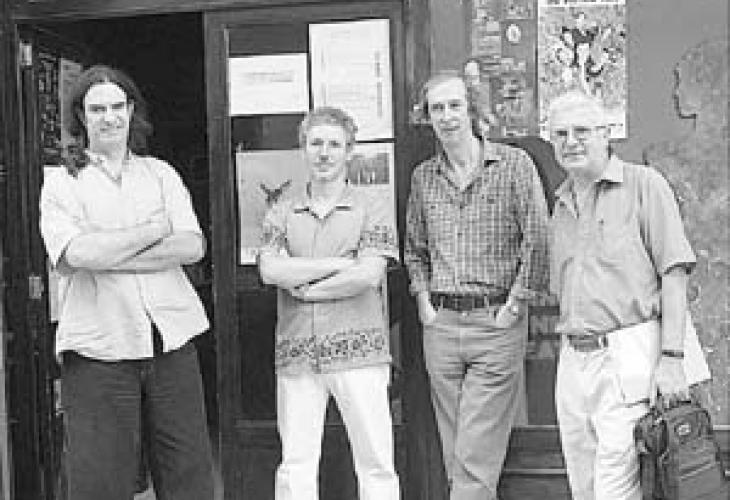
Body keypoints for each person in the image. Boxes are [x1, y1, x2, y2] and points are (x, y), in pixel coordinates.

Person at [39, 65, 214, 500]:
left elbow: (192, 245)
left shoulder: (160, 174)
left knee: (188, 475)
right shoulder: (62, 182)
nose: (109, 117)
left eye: (117, 106)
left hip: (170, 341)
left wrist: (109, 252)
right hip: (99, 348)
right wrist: (153, 231)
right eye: (97, 109)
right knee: (101, 481)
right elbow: (77, 255)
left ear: (132, 110)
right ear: (81, 116)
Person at [405, 71, 549, 500]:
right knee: (458, 453)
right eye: (437, 108)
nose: (447, 116)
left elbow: (538, 238)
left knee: (475, 452)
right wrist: (424, 303)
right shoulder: (423, 177)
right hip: (442, 325)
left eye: (454, 105)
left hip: (495, 321)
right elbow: (415, 248)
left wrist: (515, 304)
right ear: (427, 117)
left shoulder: (513, 165)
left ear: (471, 109)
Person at [548, 90, 699, 500]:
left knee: (615, 486)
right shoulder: (560, 203)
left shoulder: (644, 185)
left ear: (606, 133)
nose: (571, 141)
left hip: (626, 352)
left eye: (582, 131)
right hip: (573, 359)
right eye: (560, 134)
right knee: (583, 485)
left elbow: (674, 275)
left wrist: (672, 359)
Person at [258, 107, 400, 500]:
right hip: (298, 352)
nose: (324, 153)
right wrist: (339, 263)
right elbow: (270, 269)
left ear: (349, 151)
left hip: (360, 353)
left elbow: (368, 274)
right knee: (296, 465)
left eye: (334, 144)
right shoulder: (283, 209)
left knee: (376, 462)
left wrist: (307, 287)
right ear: (303, 148)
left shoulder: (372, 206)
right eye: (315, 143)